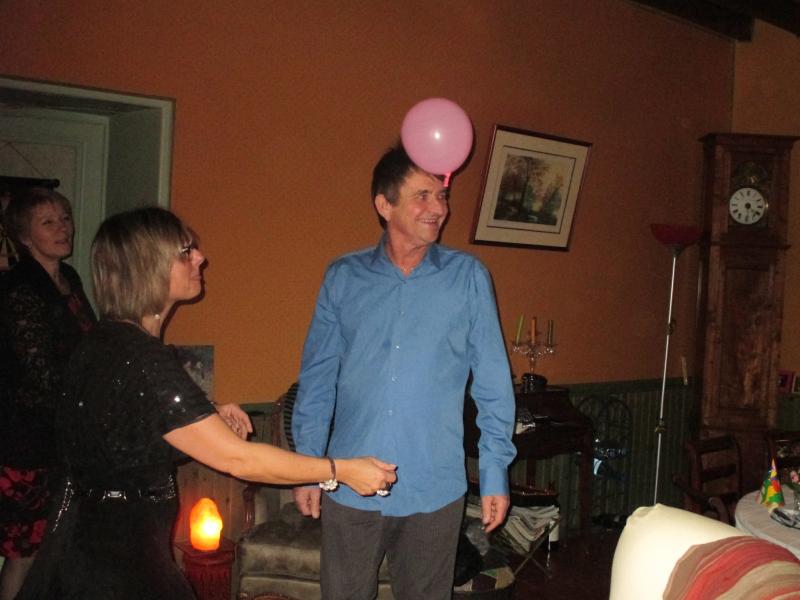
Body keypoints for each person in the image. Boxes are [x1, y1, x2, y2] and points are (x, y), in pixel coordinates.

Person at [17, 207, 396, 599]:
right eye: (186, 252)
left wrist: (205, 415)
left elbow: (126, 439)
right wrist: (340, 469)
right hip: (118, 566)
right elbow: (239, 459)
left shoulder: (104, 341)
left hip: (88, 550)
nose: (200, 257)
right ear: (148, 267)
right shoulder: (142, 358)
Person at [292, 144, 517, 599]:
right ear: (384, 204)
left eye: (442, 196)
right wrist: (307, 467)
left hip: (433, 487)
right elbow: (317, 380)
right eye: (422, 196)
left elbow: (494, 383)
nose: (439, 209)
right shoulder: (343, 277)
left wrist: (495, 471)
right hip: (349, 484)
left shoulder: (468, 277)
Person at [0, 187, 97, 600]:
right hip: (27, 441)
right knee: (24, 554)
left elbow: (90, 347)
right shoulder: (19, 287)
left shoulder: (69, 279)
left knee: (62, 550)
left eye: (65, 218)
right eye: (48, 222)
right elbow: (40, 371)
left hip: (64, 439)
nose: (63, 228)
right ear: (25, 235)